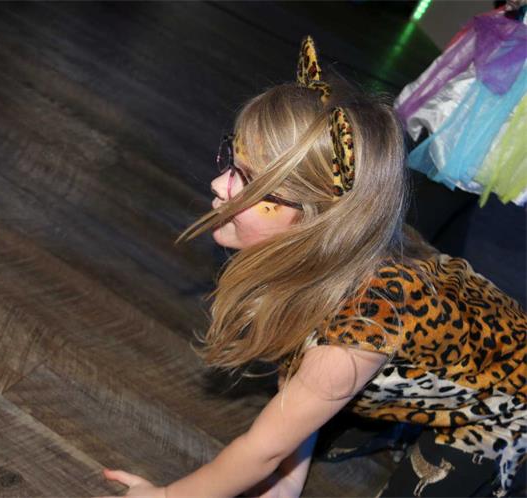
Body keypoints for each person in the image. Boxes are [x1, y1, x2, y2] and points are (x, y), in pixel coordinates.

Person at [99, 36, 526, 498]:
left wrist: (165, 496)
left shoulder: (360, 330)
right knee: (317, 405)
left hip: (509, 408)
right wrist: (285, 484)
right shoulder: (331, 258)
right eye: (233, 161)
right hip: (432, 358)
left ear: (315, 221)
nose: (219, 184)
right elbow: (295, 360)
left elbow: (262, 450)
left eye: (250, 182)